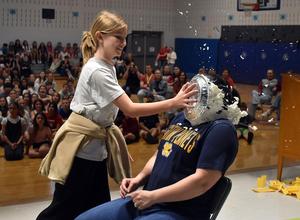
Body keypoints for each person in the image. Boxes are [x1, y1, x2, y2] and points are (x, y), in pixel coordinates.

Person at [37, 10, 196, 220]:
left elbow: (108, 116)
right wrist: (173, 102)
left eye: (125, 38)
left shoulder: (108, 66)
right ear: (100, 37)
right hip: (80, 153)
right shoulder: (97, 70)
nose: (123, 43)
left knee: (96, 208)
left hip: (93, 151)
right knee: (62, 210)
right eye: (118, 37)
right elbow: (130, 109)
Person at [75, 75, 246, 220]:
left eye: (195, 93)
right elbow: (159, 155)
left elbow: (203, 181)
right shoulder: (181, 118)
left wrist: (153, 196)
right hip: (147, 200)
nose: (189, 98)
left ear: (212, 99)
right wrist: (139, 179)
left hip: (179, 212)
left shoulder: (221, 129)